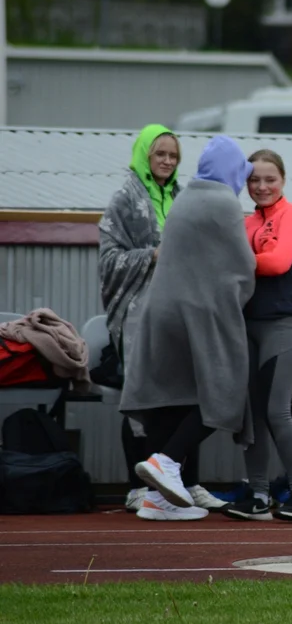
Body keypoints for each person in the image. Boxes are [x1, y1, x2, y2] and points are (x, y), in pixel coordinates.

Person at [120, 136, 257, 515]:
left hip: (160, 313)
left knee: (172, 397)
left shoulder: (185, 198)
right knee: (225, 389)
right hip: (199, 314)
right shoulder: (224, 203)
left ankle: (157, 501)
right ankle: (166, 461)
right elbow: (242, 269)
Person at [97, 125, 224, 519]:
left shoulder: (183, 197)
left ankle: (186, 482)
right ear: (144, 155)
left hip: (180, 311)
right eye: (160, 154)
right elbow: (108, 260)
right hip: (138, 311)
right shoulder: (124, 199)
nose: (167, 161)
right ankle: (138, 488)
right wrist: (150, 256)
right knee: (141, 396)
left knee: (187, 390)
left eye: (173, 155)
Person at [221, 149, 292, 523]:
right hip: (247, 327)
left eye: (269, 179)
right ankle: (259, 496)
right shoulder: (245, 224)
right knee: (253, 417)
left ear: (283, 180)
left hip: (283, 325)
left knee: (278, 412)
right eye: (253, 180)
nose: (261, 187)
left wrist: (236, 262)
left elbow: (278, 262)